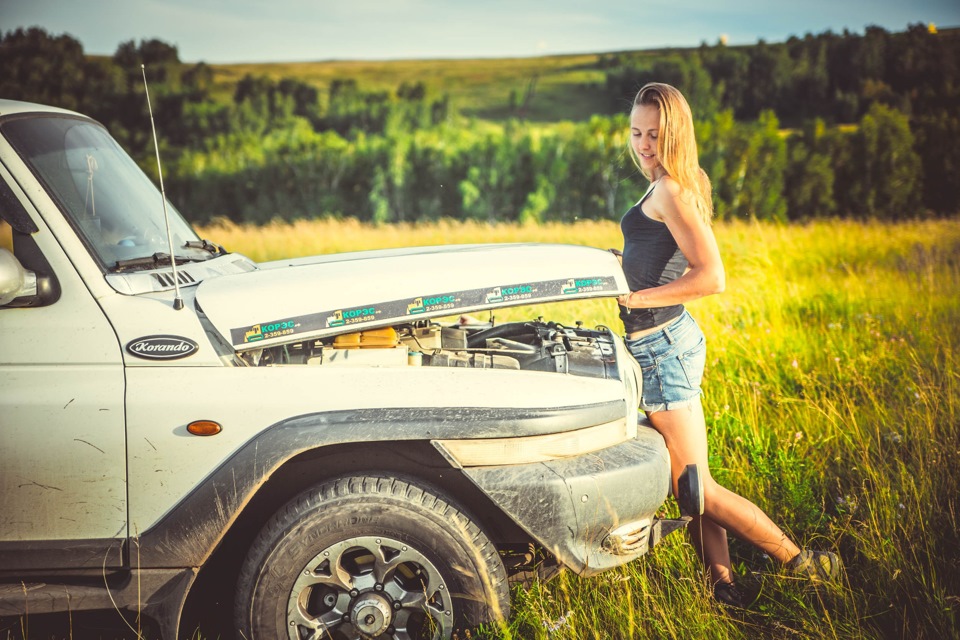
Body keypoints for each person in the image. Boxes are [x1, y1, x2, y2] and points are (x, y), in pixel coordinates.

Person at [614, 82, 840, 607]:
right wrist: (622, 268)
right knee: (691, 485)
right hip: (661, 343)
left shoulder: (670, 188)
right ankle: (724, 588)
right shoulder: (662, 186)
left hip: (664, 346)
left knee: (697, 490)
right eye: (637, 132)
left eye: (654, 134)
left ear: (675, 134)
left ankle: (803, 564)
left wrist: (642, 295)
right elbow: (662, 254)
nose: (644, 144)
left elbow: (711, 275)